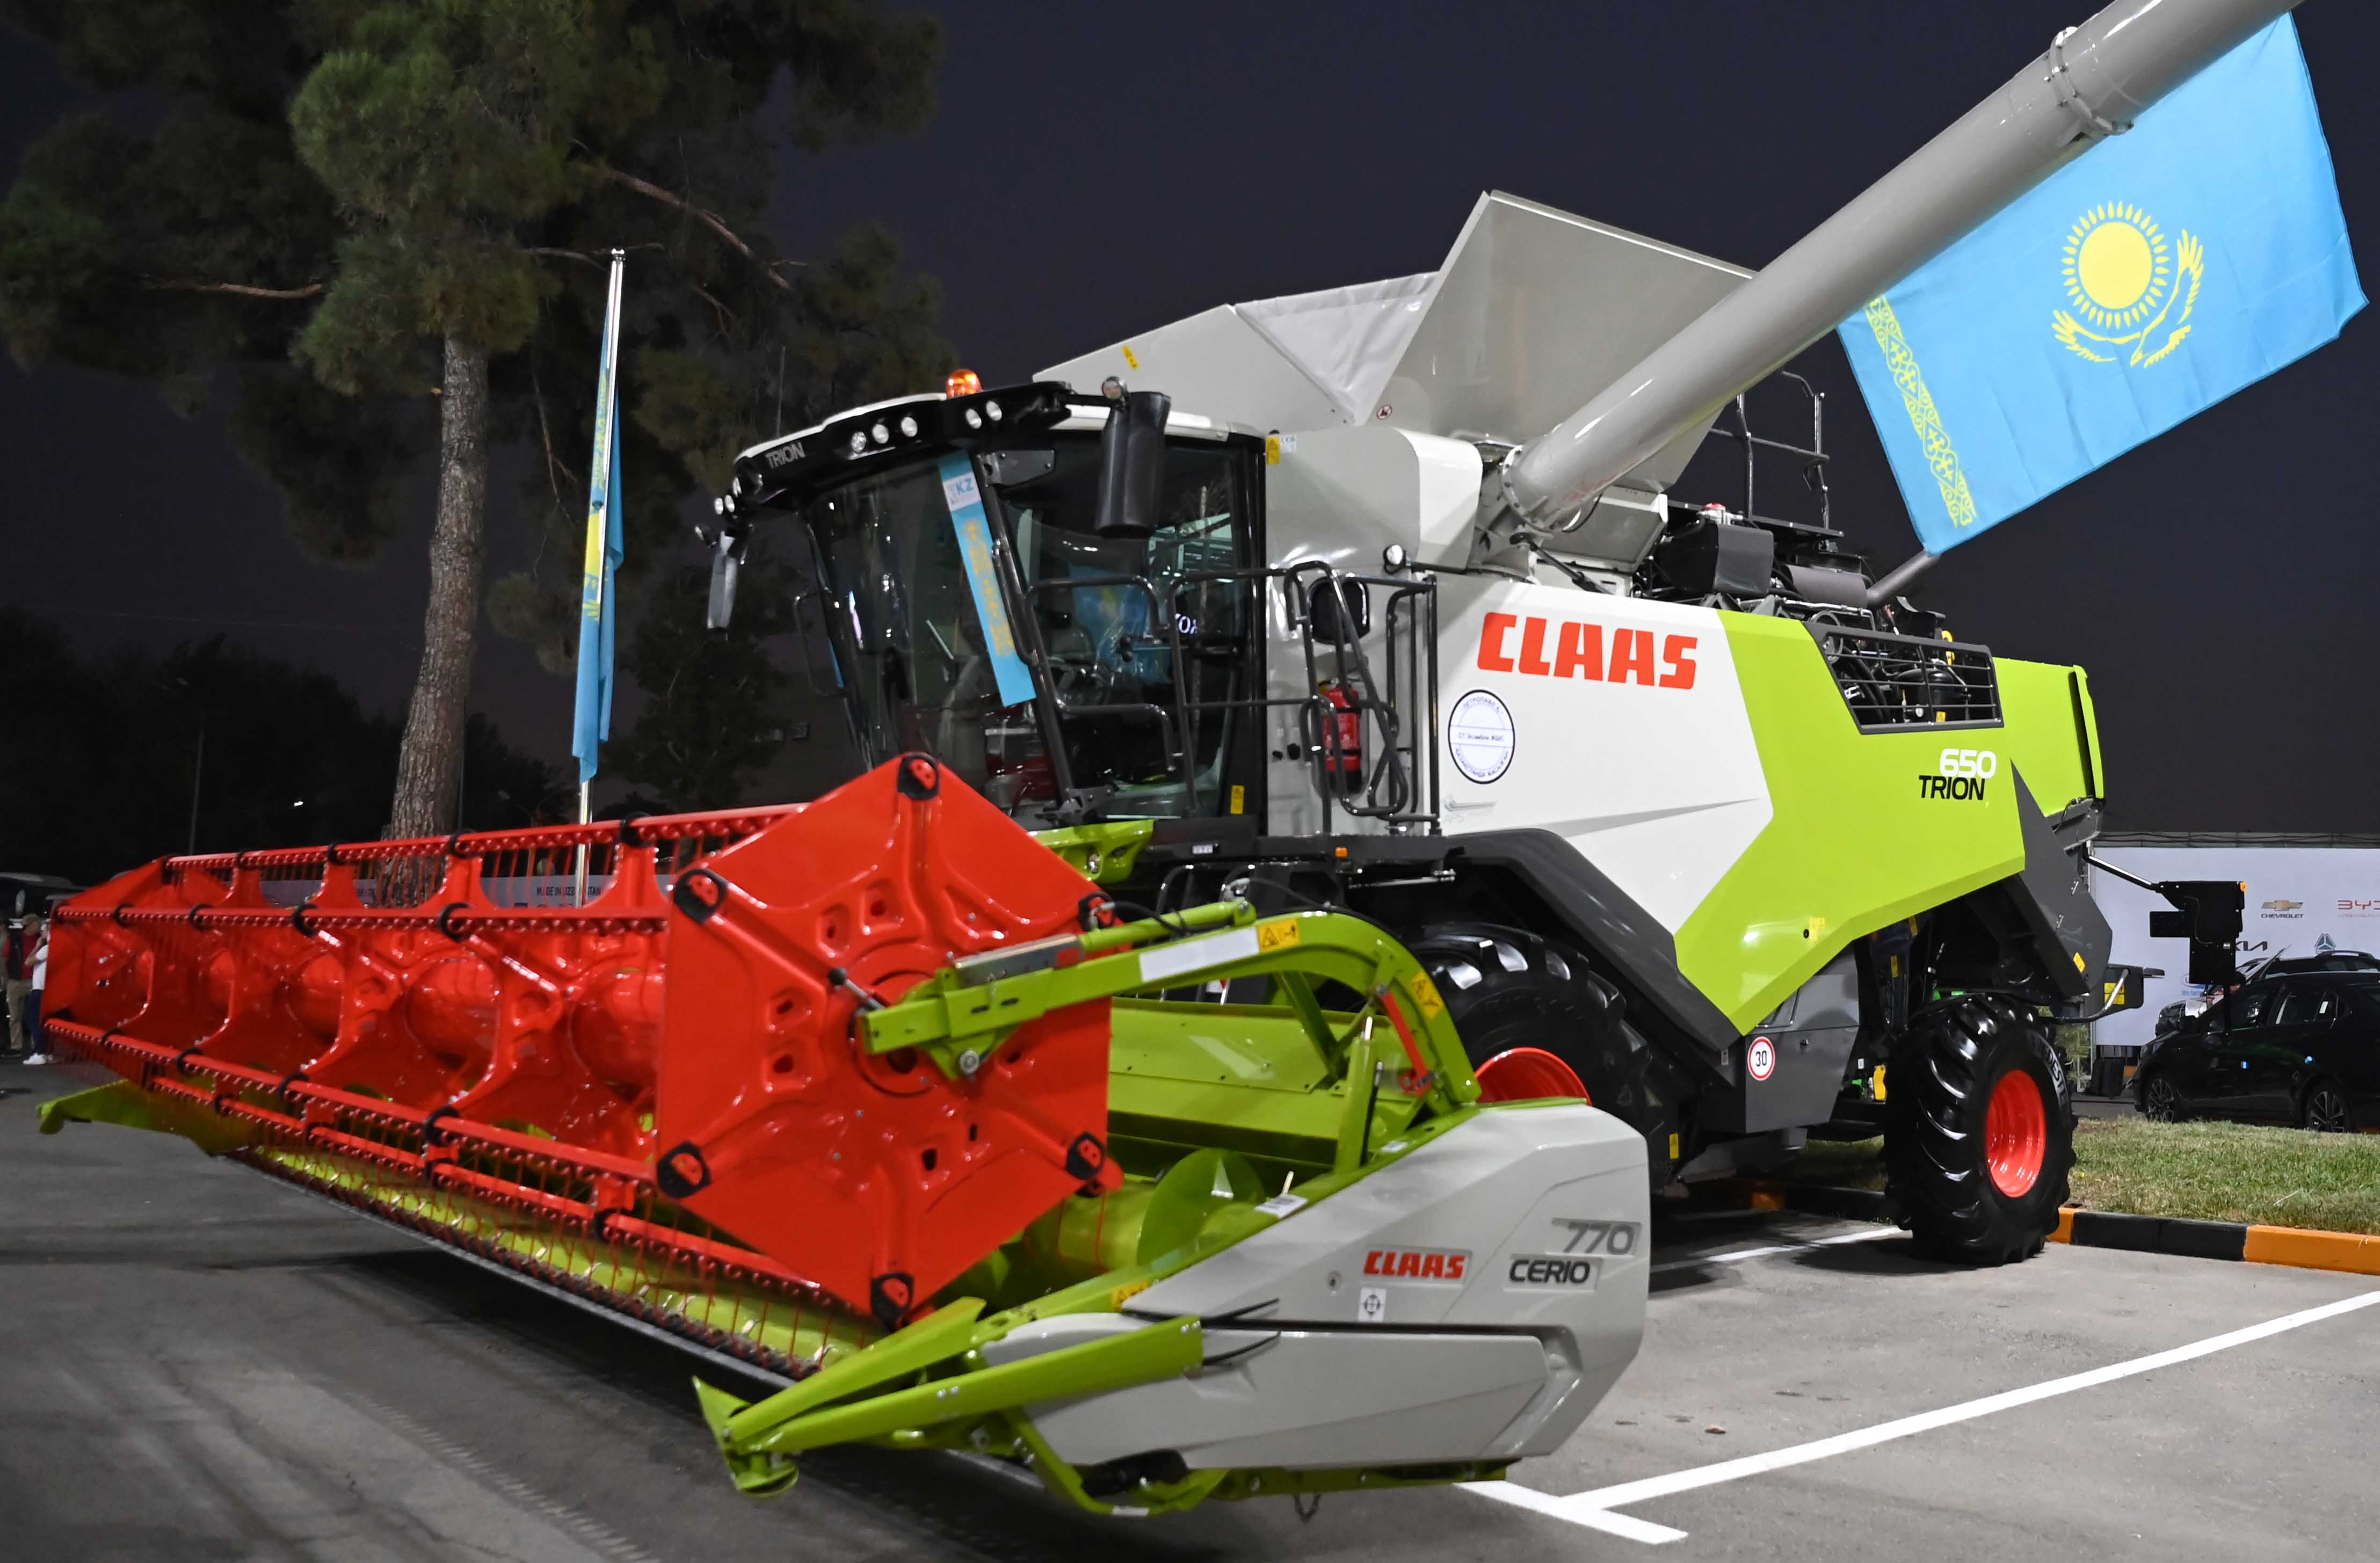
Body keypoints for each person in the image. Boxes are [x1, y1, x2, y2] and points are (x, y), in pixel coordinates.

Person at [21, 913, 51, 1065]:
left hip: (39, 989)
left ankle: (40, 1052)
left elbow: (28, 962)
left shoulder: (47, 949)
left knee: (34, 1020)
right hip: (47, 989)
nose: (42, 931)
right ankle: (47, 1052)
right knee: (45, 1022)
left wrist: (38, 945)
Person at [3, 917, 33, 1058]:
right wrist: (7, 979)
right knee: (15, 1017)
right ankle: (17, 1047)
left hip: (33, 981)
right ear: (29, 925)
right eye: (37, 923)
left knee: (33, 1015)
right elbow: (5, 959)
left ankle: (35, 1046)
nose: (39, 926)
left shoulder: (41, 939)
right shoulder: (15, 940)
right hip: (16, 981)